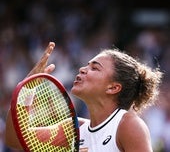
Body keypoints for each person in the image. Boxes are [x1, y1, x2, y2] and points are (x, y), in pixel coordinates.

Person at [5, 42, 163, 152]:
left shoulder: (128, 125)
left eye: (95, 68)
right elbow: (14, 139)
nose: (83, 69)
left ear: (113, 87)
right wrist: (27, 89)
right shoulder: (74, 129)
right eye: (87, 65)